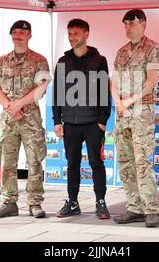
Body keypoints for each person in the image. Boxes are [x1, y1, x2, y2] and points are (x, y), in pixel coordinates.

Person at [0, 20, 50, 218]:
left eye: (22, 32)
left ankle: (35, 203)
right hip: (8, 119)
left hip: (30, 118)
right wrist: (9, 106)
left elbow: (41, 88)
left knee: (34, 161)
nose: (18, 35)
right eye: (15, 32)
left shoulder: (39, 60)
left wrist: (19, 104)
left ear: (29, 35)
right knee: (7, 162)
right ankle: (9, 202)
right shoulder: (2, 61)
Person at [52, 18, 112, 219]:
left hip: (93, 122)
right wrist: (57, 121)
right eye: (69, 34)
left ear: (87, 34)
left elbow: (104, 92)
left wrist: (103, 120)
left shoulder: (99, 60)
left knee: (96, 163)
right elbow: (58, 93)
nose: (72, 37)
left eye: (76, 33)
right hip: (70, 123)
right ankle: (73, 202)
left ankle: (100, 202)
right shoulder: (62, 61)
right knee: (72, 164)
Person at [111, 9, 159, 227]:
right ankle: (134, 207)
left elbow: (151, 82)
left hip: (141, 111)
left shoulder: (153, 48)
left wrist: (128, 101)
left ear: (143, 24)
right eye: (125, 24)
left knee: (143, 161)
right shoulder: (121, 51)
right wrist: (117, 102)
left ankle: (151, 209)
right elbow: (112, 80)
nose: (127, 27)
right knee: (125, 162)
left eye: (131, 23)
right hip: (122, 113)